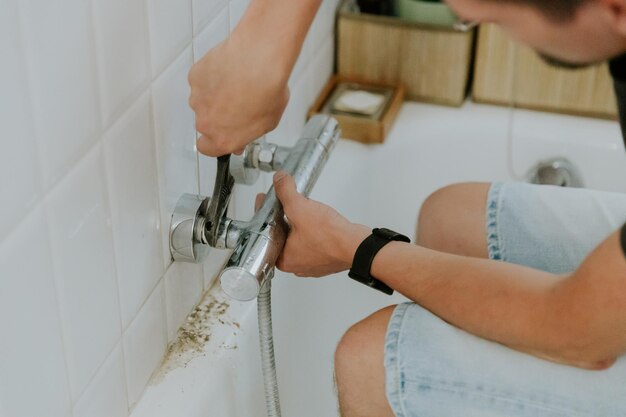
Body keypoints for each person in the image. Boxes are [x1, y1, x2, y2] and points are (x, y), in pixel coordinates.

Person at [189, 0, 626, 415]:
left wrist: (358, 248)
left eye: (498, 21)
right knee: (452, 219)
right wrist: (262, 51)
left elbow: (576, 333)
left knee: (374, 361)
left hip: (583, 330)